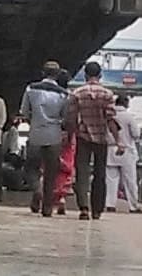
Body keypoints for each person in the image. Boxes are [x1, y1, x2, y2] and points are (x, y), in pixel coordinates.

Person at [65, 61, 122, 220]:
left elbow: (71, 118)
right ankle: (97, 210)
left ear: (85, 75)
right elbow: (110, 119)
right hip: (101, 139)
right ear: (100, 75)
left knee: (82, 173)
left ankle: (83, 208)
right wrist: (118, 141)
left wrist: (70, 136)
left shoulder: (77, 93)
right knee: (100, 174)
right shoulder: (107, 94)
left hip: (82, 137)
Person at [18, 61, 68, 217]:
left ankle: (36, 190)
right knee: (51, 173)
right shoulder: (63, 94)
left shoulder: (31, 88)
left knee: (31, 168)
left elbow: (24, 112)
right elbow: (65, 117)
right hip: (54, 136)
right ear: (58, 74)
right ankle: (47, 208)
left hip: (35, 133)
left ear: (42, 73)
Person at [105, 94, 142, 213]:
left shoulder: (109, 116)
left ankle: (110, 204)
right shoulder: (129, 117)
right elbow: (136, 134)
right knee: (130, 180)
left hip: (110, 149)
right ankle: (133, 206)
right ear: (126, 104)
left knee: (111, 179)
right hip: (126, 150)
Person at [52, 69, 76, 216]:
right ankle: (62, 197)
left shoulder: (50, 95)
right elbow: (73, 117)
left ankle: (49, 196)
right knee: (66, 166)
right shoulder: (71, 97)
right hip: (68, 134)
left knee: (50, 165)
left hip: (51, 133)